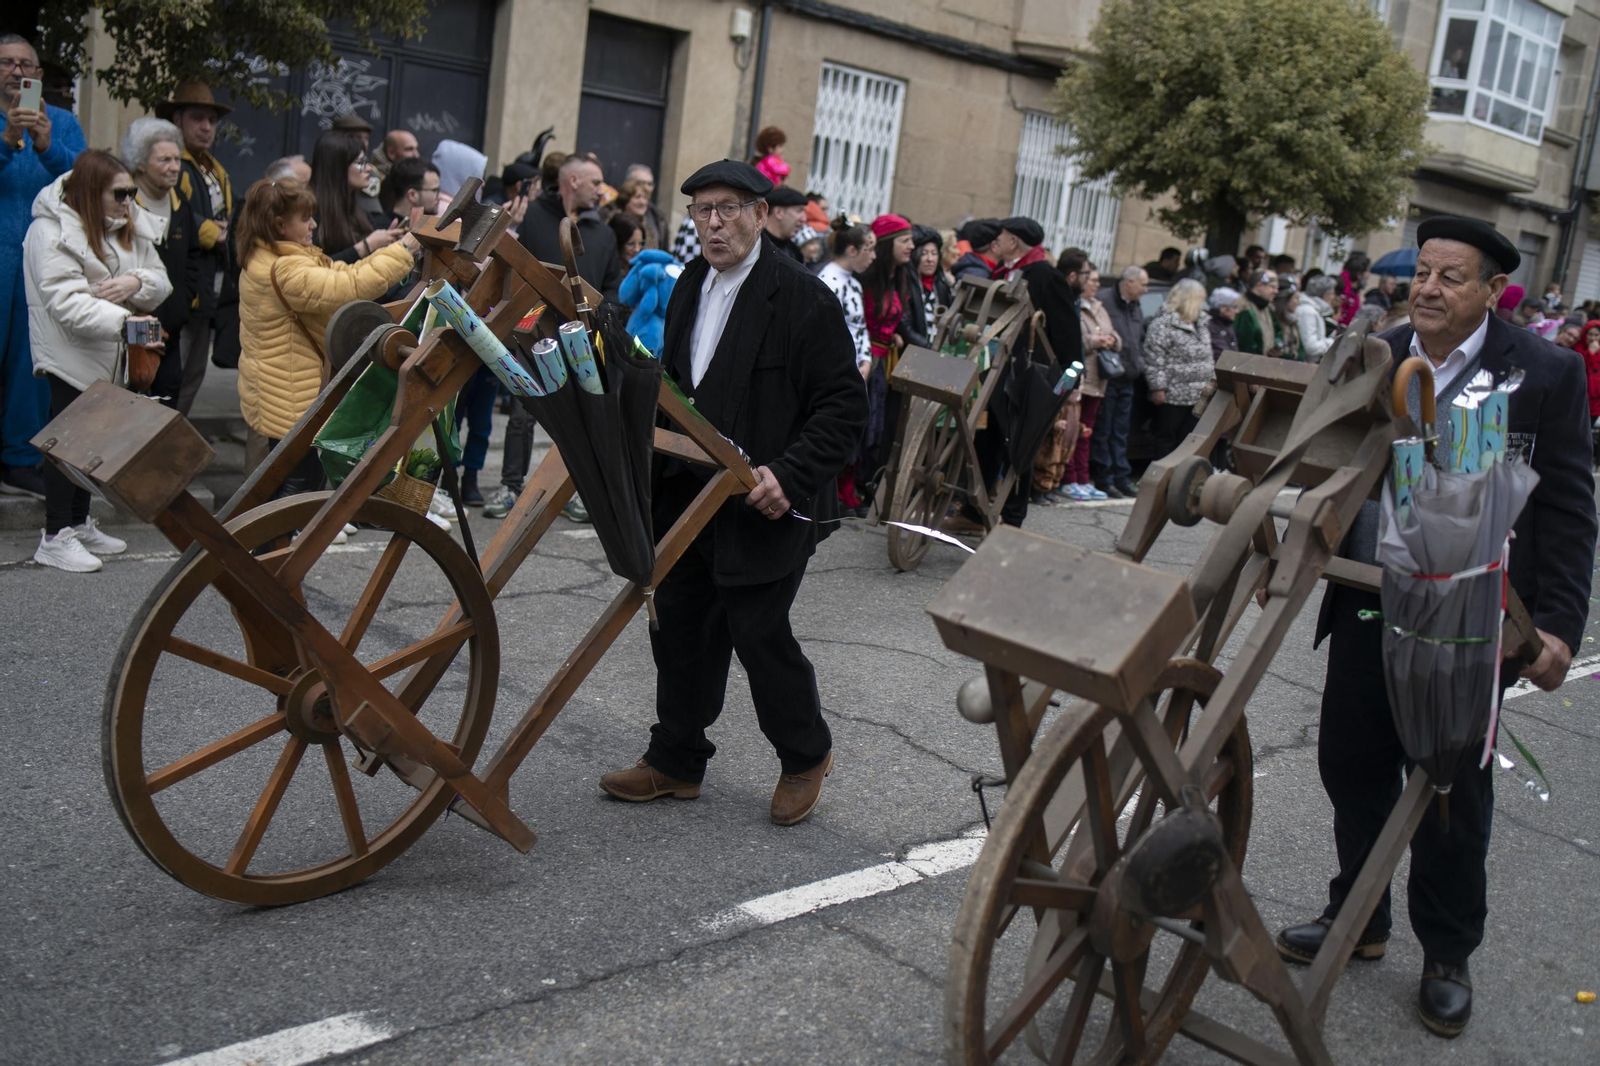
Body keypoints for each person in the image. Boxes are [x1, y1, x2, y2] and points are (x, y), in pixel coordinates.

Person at [1280, 216, 1597, 1038]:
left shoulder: (1545, 372)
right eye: (1423, 272)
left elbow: (1567, 504)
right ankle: (1362, 915)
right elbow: (1330, 463)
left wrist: (1561, 623)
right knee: (1351, 766)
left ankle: (1447, 952)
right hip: (1365, 596)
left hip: (1469, 620)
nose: (1427, 288)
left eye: (1451, 277)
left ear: (1494, 291)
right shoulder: (1378, 351)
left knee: (1452, 790)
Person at [597, 158, 866, 826]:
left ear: (757, 212)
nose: (714, 225)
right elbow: (678, 387)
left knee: (757, 632)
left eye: (727, 209)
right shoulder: (690, 283)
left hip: (766, 500)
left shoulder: (801, 296)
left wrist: (791, 473)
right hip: (690, 497)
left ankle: (806, 755)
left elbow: (843, 406)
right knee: (680, 628)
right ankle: (676, 761)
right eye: (701, 212)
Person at [24, 148, 170, 571]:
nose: (129, 202)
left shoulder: (123, 224)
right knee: (66, 444)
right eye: (120, 194)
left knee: (94, 442)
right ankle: (54, 535)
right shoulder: (49, 232)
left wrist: (132, 281)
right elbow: (66, 303)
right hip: (67, 352)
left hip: (109, 354)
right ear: (92, 193)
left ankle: (79, 521)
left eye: (131, 193)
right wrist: (131, 323)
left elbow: (158, 280)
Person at [234, 177, 417, 499]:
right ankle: (276, 545)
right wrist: (403, 251)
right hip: (290, 393)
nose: (313, 224)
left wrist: (390, 251)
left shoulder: (269, 256)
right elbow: (350, 287)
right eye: (305, 218)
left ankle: (276, 542)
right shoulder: (284, 269)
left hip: (281, 388)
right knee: (294, 489)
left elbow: (343, 275)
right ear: (279, 225)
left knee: (288, 485)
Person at [0, 33, 86, 499]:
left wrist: (48, 145)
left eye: (25, 65)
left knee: (28, 365)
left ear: (37, 74)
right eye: (7, 63)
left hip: (42, 263)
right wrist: (8, 139)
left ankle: (20, 459)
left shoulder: (64, 122)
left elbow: (86, 181)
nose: (17, 71)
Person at [987, 216, 1081, 523]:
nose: (996, 241)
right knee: (987, 436)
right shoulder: (1009, 270)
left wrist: (1070, 378)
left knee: (1020, 444)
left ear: (1014, 241)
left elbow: (1067, 329)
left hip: (1032, 374)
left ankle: (1012, 518)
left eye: (1000, 236)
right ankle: (976, 511)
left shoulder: (1043, 274)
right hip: (1002, 369)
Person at [155, 81, 234, 416]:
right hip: (182, 288)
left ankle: (173, 444)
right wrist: (210, 232)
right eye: (197, 118)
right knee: (173, 376)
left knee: (193, 375)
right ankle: (158, 450)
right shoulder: (175, 166)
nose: (206, 127)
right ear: (177, 120)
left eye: (211, 120)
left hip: (208, 286)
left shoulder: (214, 168)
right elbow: (175, 213)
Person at [121, 116, 201, 407]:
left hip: (172, 327)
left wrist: (183, 300)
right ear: (140, 163)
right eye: (164, 160)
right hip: (133, 327)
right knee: (130, 403)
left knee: (167, 401)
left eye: (177, 159)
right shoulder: (124, 205)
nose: (174, 167)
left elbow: (193, 257)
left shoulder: (181, 203)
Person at [816, 215, 876, 516]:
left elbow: (860, 328)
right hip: (835, 372)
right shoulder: (827, 281)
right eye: (869, 248)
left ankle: (846, 490)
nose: (873, 256)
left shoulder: (854, 284)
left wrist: (865, 360)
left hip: (855, 370)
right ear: (852, 250)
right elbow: (827, 333)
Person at [859, 213, 917, 495]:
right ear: (887, 243)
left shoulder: (900, 278)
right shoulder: (867, 278)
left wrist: (892, 333)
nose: (911, 247)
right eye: (905, 241)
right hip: (864, 361)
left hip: (883, 363)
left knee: (876, 425)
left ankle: (862, 483)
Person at [518, 152, 622, 303]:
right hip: (531, 321)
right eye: (595, 183)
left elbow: (613, 288)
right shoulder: (528, 215)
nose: (601, 191)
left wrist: (596, 316)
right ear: (573, 181)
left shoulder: (604, 234)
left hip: (586, 324)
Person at [1091, 265, 1147, 498]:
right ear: (1129, 282)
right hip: (1109, 374)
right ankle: (1104, 477)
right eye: (1143, 284)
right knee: (1104, 429)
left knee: (1121, 430)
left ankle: (1121, 476)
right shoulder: (1104, 300)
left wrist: (1140, 362)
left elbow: (1139, 337)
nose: (1145, 289)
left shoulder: (1135, 306)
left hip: (1129, 377)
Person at [1142, 278, 1213, 459]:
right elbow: (1154, 358)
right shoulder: (1163, 324)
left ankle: (1180, 479)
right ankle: (1159, 479)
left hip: (1198, 393)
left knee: (1188, 438)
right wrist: (1158, 387)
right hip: (1173, 393)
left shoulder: (1201, 323)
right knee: (1166, 437)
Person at [1061, 255, 1113, 501]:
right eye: (1091, 279)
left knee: (1086, 432)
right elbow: (1074, 340)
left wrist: (1111, 340)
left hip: (1099, 380)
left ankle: (1083, 478)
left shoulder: (1099, 307)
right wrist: (1095, 341)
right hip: (1083, 376)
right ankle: (1068, 478)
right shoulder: (1075, 305)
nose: (1095, 284)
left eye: (1097, 280)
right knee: (1071, 430)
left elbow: (1116, 335)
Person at [309, 129, 400, 263]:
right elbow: (312, 270)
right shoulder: (309, 213)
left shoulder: (357, 210)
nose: (368, 168)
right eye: (360, 163)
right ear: (337, 167)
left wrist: (386, 242)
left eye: (366, 161)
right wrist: (367, 246)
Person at [377, 157, 440, 225]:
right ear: (412, 195)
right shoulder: (381, 231)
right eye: (434, 191)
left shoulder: (428, 227)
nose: (439, 197)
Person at [1234, 269, 1280, 356]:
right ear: (1259, 285)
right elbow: (1244, 346)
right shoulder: (1244, 309)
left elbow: (1278, 332)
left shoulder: (1268, 308)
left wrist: (1277, 346)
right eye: (1273, 287)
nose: (1276, 291)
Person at [622, 164, 668, 250]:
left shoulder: (658, 217)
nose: (646, 188)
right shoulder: (610, 214)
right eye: (641, 183)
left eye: (649, 184)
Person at [605, 176, 659, 250]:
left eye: (645, 198)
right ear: (626, 200)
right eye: (637, 197)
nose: (642, 202)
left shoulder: (650, 232)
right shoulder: (613, 224)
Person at [1298, 274, 1341, 360]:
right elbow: (1311, 347)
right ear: (1325, 295)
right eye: (1332, 293)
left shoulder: (1314, 310)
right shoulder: (1308, 312)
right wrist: (1332, 343)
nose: (1333, 297)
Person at [762, 184, 807, 263]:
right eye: (799, 211)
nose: (804, 218)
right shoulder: (755, 247)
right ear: (779, 212)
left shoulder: (794, 252)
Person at [1205, 286, 1241, 360]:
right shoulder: (1211, 326)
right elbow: (1224, 356)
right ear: (1222, 308)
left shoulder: (1227, 324)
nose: (1237, 311)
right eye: (1234, 307)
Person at [1337, 251, 1370, 326]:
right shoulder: (1341, 289)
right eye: (1367, 271)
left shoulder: (1354, 292)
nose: (1369, 275)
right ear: (1359, 274)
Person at [1273, 283, 1302, 360]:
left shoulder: (1293, 321)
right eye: (1295, 298)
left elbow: (1301, 349)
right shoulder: (1275, 320)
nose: (1297, 302)